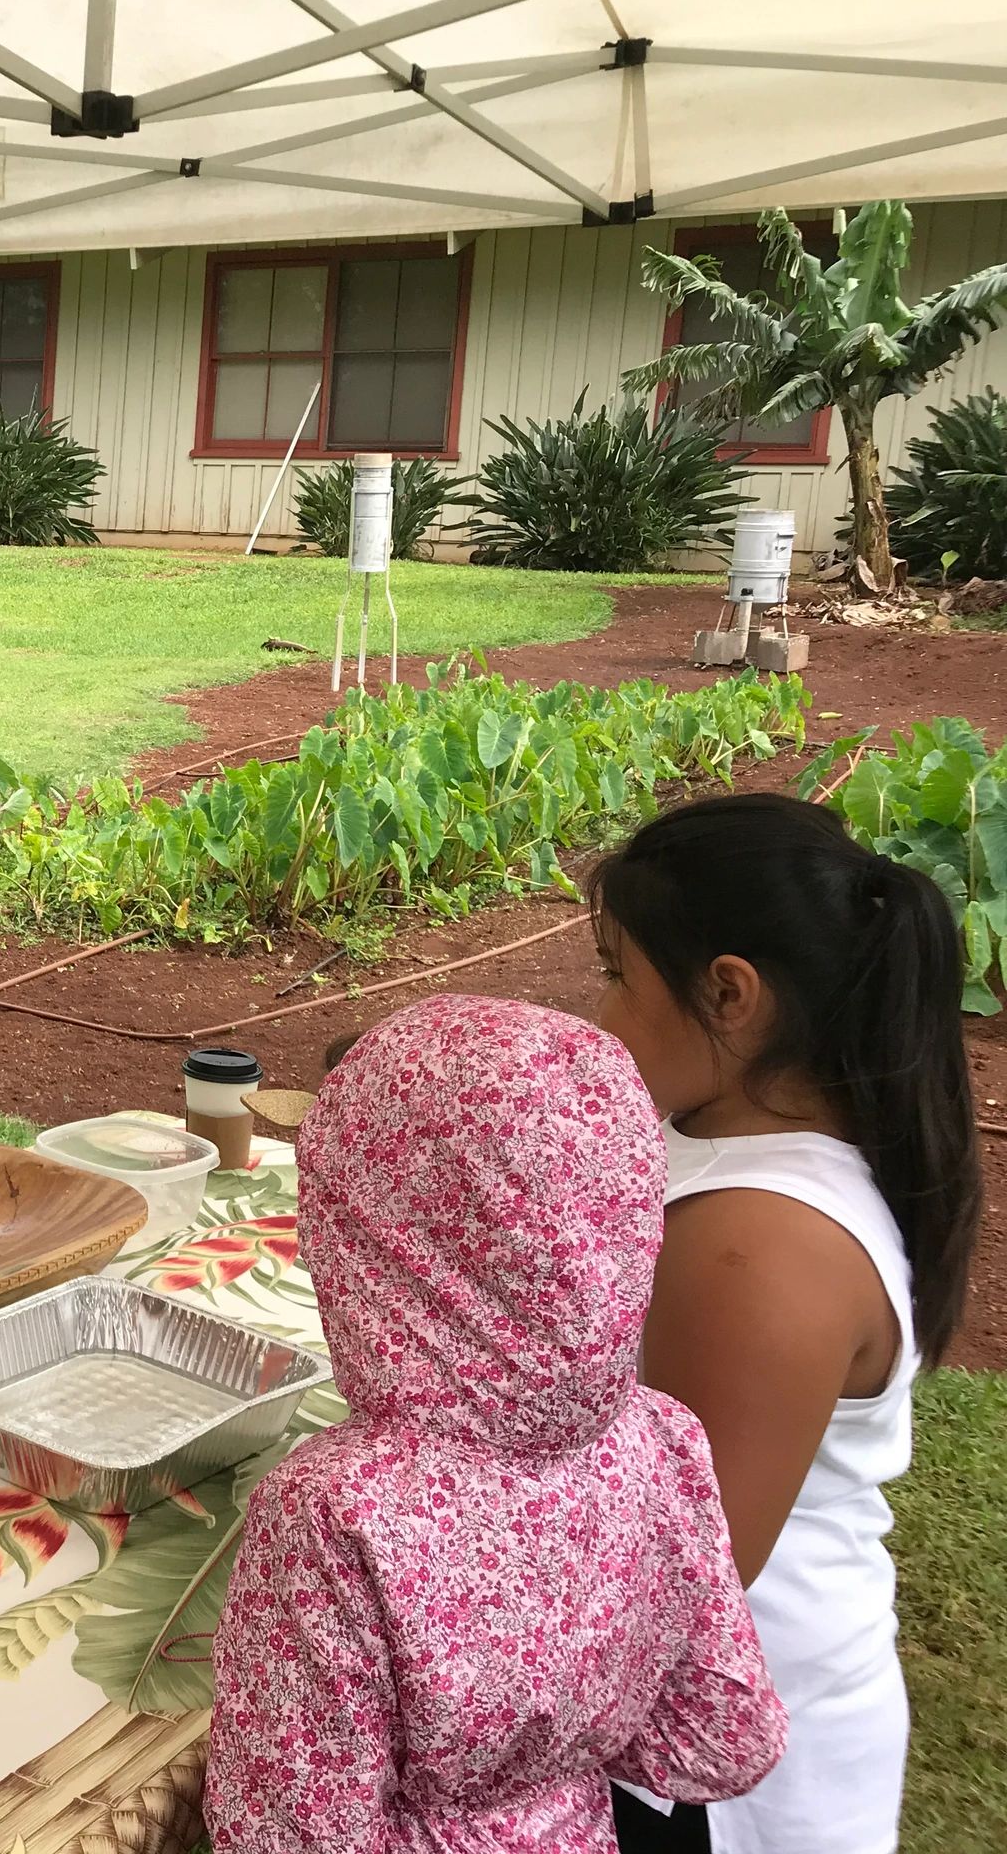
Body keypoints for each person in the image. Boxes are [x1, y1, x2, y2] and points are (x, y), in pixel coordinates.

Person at [207, 994, 785, 1853]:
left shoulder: (334, 1514)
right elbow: (721, 1738)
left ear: (355, 1237)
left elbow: (285, 1834)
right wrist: (542, 1770)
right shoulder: (663, 1438)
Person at [592, 793, 978, 1854]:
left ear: (728, 995)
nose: (599, 1012)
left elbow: (673, 1580)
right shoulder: (726, 1137)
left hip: (720, 1775)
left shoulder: (755, 1246)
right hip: (708, 1721)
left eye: (616, 974)